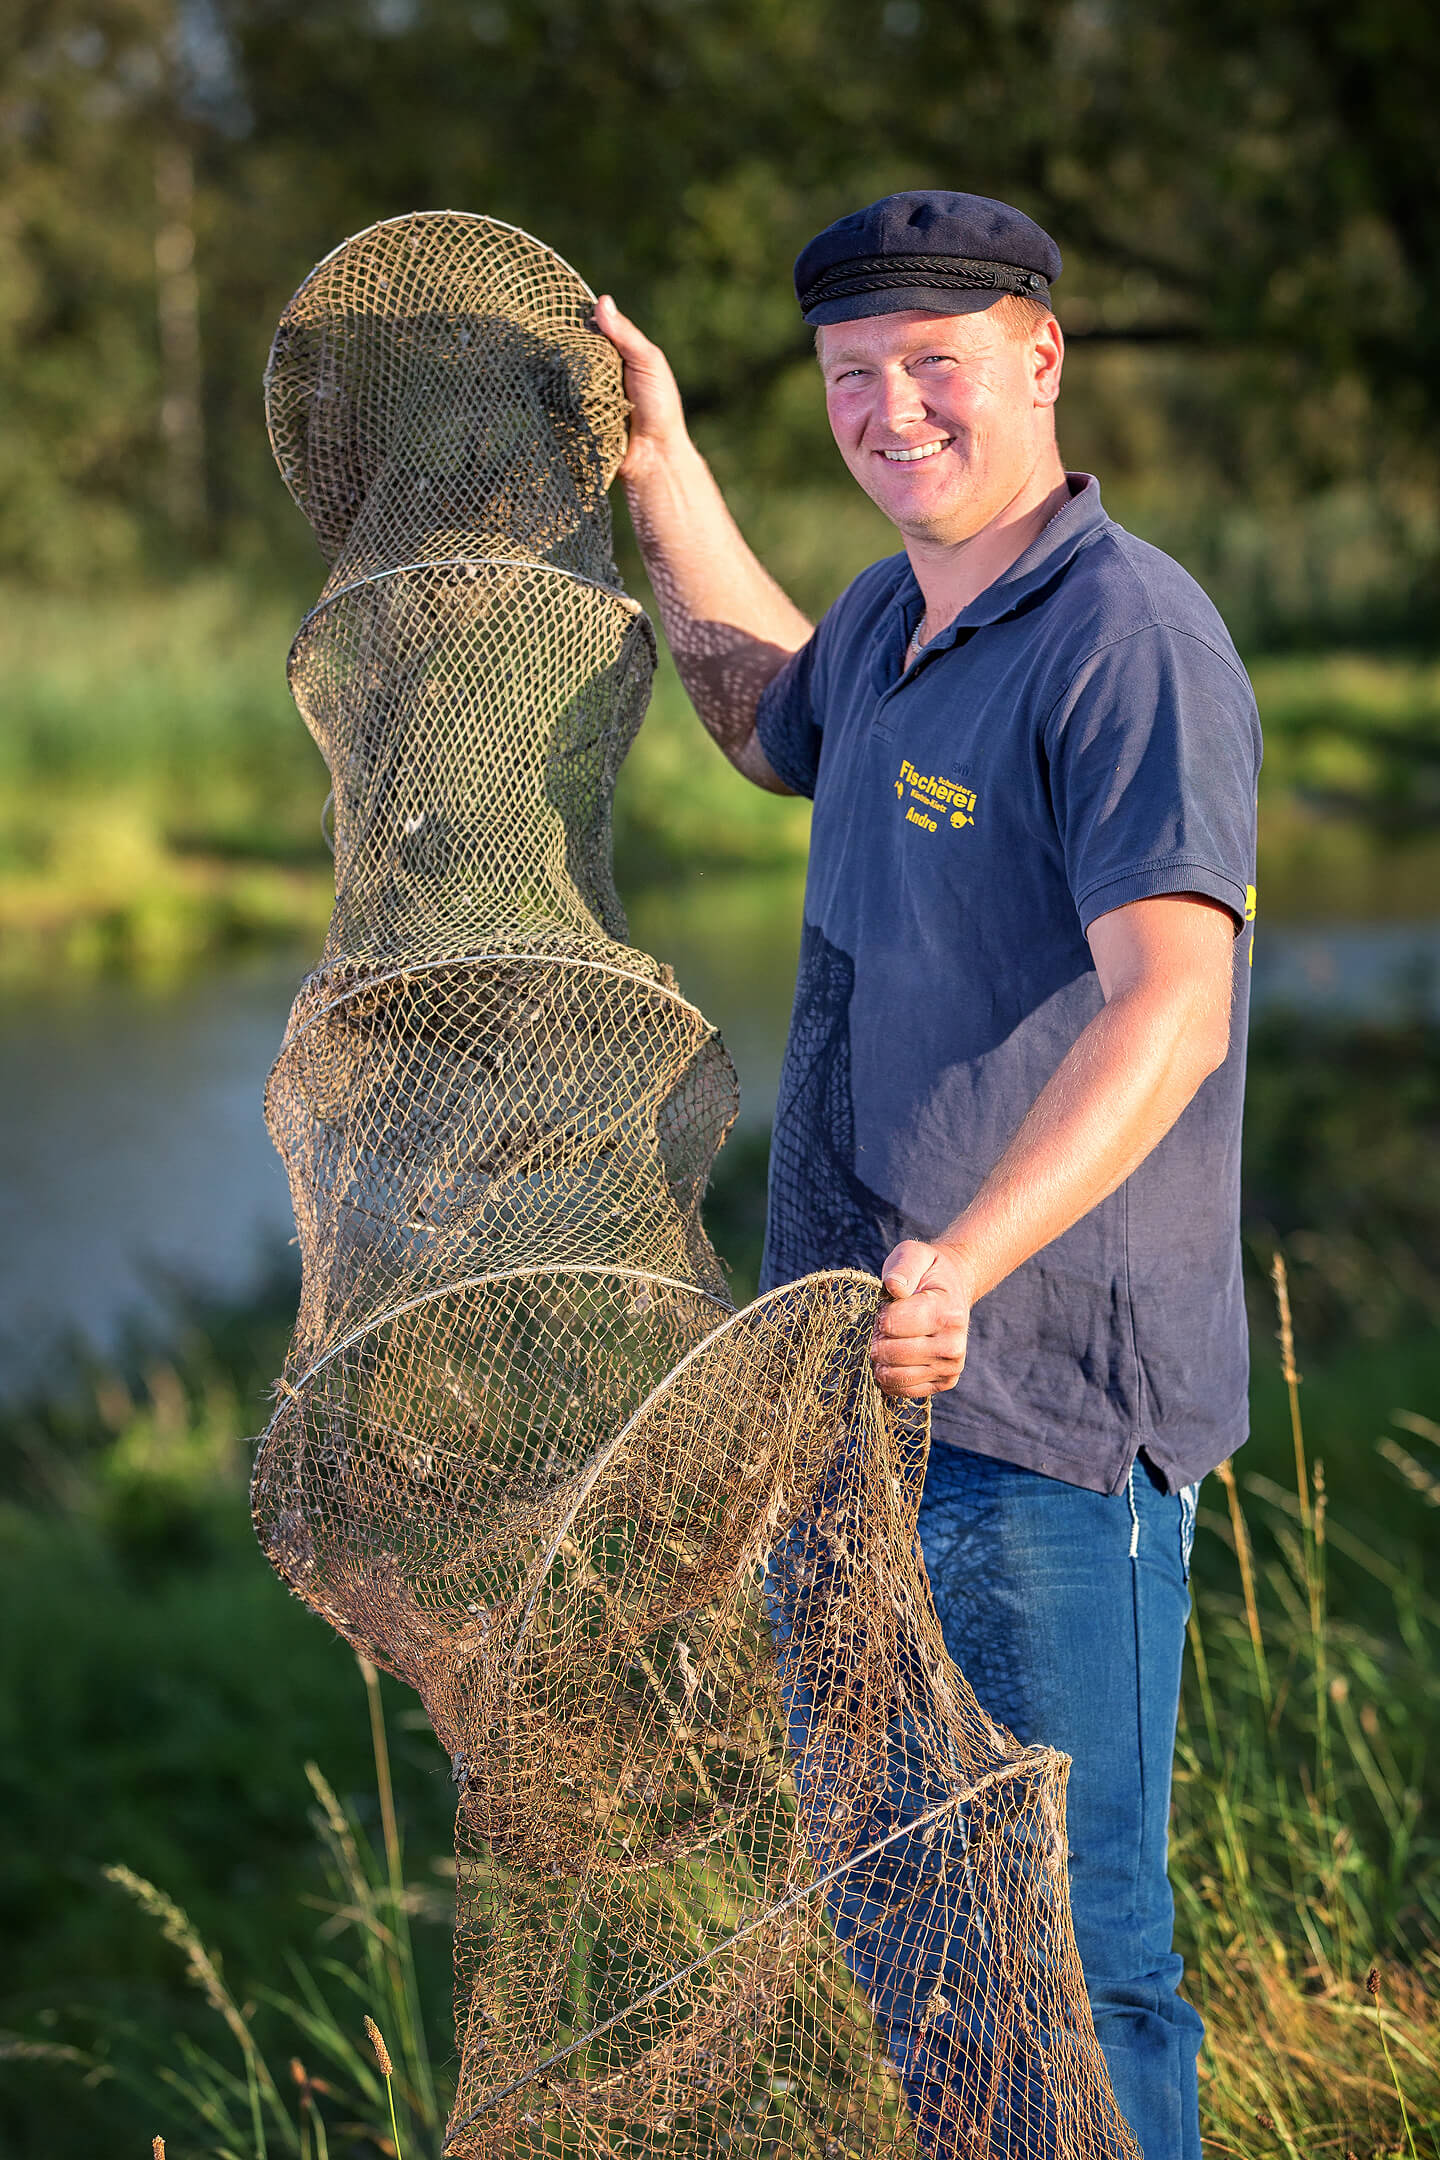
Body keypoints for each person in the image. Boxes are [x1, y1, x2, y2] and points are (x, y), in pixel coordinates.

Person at [595, 188, 1260, 2160]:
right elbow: (762, 708)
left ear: (1040, 359)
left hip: (1042, 1420)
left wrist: (961, 1258)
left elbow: (1176, 1006)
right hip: (851, 1398)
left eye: (934, 366)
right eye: (851, 378)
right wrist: (662, 471)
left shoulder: (1130, 642)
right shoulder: (894, 618)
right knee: (916, 1928)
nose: (892, 411)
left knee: (1075, 1947)